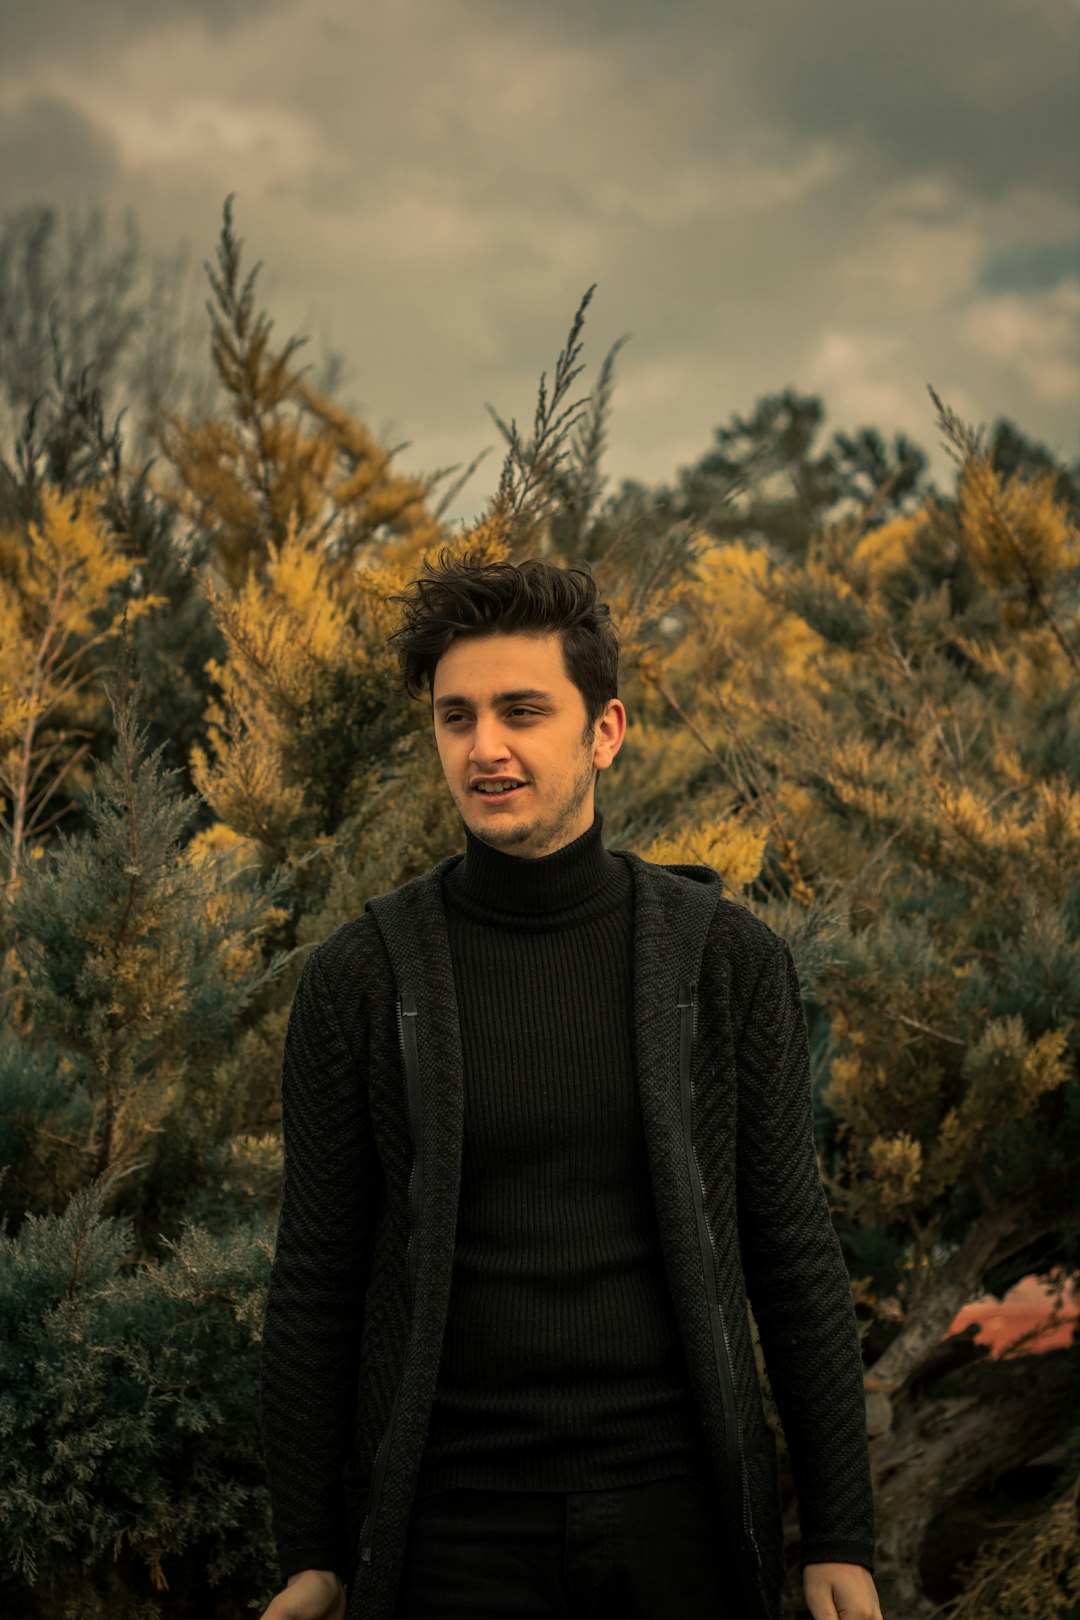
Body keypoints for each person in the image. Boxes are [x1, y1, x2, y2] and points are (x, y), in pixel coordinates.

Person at [257, 551, 884, 1620]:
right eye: (457, 717)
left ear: (605, 731)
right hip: (447, 1531)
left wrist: (839, 1536)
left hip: (678, 1517)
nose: (484, 747)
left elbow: (791, 1254)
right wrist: (310, 1546)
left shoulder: (724, 964)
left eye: (521, 711)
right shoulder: (361, 978)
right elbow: (319, 1274)